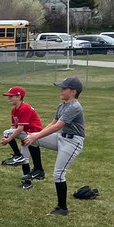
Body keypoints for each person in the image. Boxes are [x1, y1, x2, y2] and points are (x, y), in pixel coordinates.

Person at [23, 77, 85, 216]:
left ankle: (62, 208)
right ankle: (38, 170)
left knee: (58, 174)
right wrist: (37, 135)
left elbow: (58, 126)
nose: (61, 90)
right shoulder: (62, 105)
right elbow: (53, 123)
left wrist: (37, 135)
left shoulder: (75, 106)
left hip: (73, 141)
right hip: (61, 138)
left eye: (64, 88)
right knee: (31, 139)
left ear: (73, 91)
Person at [0, 86, 45, 187]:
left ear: (19, 97)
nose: (9, 98)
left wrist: (8, 139)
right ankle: (27, 183)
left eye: (11, 96)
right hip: (26, 133)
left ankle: (17, 155)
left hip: (33, 133)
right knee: (25, 160)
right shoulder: (14, 110)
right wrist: (9, 138)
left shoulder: (24, 108)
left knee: (7, 133)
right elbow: (14, 127)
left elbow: (19, 129)